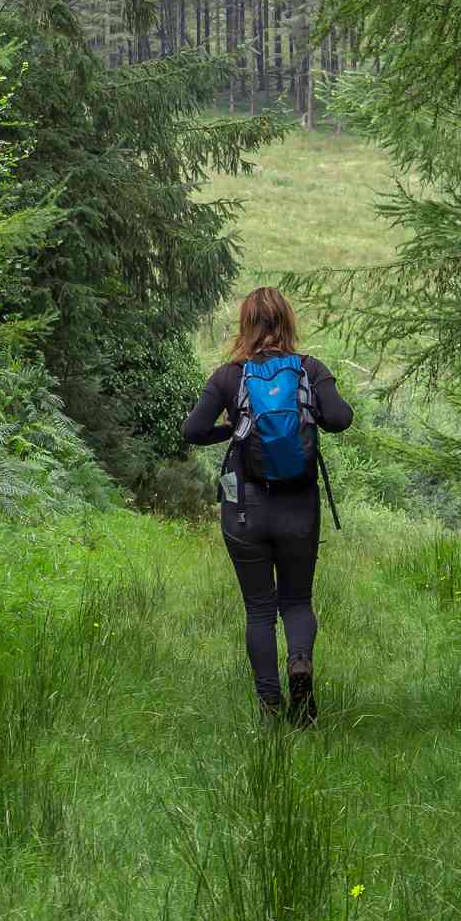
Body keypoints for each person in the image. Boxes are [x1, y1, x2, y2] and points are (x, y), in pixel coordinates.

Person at [181, 287, 353, 724]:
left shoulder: (228, 376)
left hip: (245, 507)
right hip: (298, 503)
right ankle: (300, 664)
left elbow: (193, 430)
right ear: (287, 323)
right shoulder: (309, 369)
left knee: (259, 608)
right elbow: (341, 419)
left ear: (245, 325)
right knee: (296, 601)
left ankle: (269, 705)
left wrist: (235, 428)